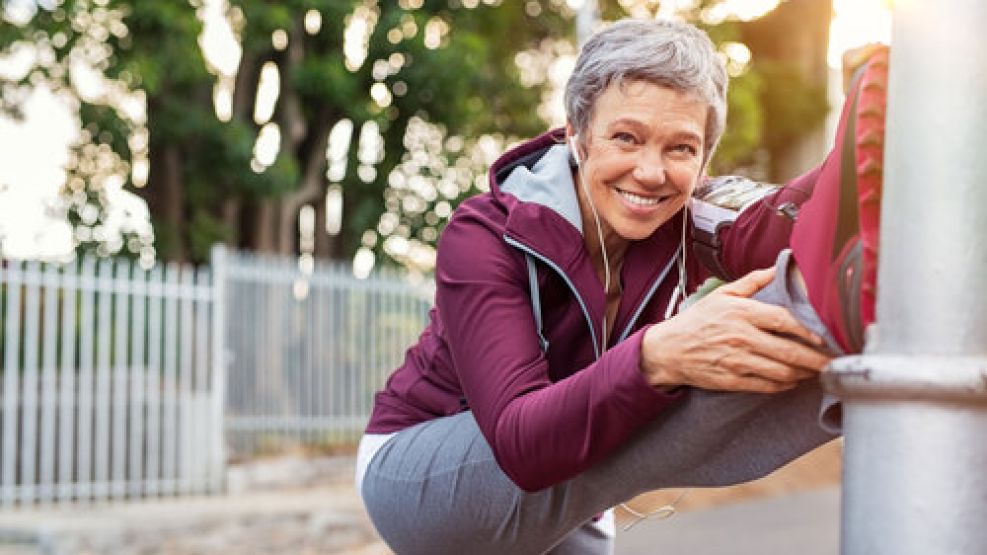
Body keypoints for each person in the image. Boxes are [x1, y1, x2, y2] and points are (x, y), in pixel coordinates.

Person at [356, 19, 884, 554]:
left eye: (681, 148)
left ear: (704, 159)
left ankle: (874, 315)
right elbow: (522, 442)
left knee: (780, 299)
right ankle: (849, 318)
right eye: (626, 137)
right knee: (701, 353)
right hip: (424, 473)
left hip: (580, 477)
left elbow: (779, 223)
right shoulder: (488, 232)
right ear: (577, 135)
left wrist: (883, 137)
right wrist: (657, 355)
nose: (651, 172)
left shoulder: (688, 217)